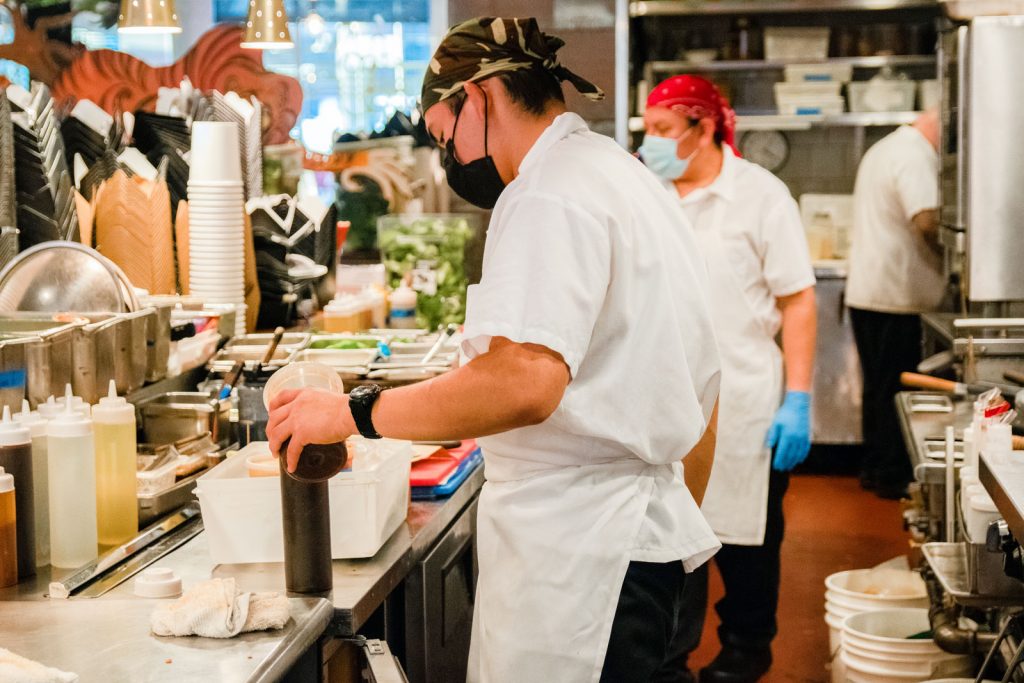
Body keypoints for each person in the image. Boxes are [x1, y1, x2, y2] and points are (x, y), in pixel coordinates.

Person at [268, 17, 724, 682]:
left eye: (443, 135)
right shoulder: (622, 178)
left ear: (476, 98)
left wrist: (353, 412)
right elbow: (702, 387)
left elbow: (523, 381)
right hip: (635, 545)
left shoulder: (548, 193)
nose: (447, 157)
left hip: (578, 567)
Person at [640, 75, 817, 683]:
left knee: (747, 539)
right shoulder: (646, 193)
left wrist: (798, 396)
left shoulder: (760, 196)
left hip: (744, 396)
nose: (650, 140)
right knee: (671, 536)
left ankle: (747, 648)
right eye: (647, 128)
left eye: (663, 130)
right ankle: (671, 655)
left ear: (704, 126)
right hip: (662, 397)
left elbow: (797, 300)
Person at [846, 110, 943, 501]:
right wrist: (960, 254)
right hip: (898, 295)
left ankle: (875, 467)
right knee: (895, 390)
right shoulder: (914, 155)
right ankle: (891, 474)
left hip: (873, 291)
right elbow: (925, 220)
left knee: (879, 387)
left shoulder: (887, 147)